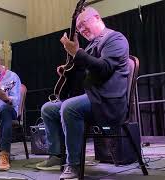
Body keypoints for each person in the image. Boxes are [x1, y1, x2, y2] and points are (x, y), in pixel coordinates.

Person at [36, 7, 130, 179]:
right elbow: (83, 71)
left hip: (108, 102)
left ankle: (74, 165)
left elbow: (104, 68)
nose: (81, 30)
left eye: (83, 24)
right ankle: (56, 156)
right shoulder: (92, 45)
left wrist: (77, 52)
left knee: (69, 107)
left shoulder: (115, 38)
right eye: (78, 28)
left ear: (97, 17)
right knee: (48, 108)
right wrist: (67, 69)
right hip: (93, 99)